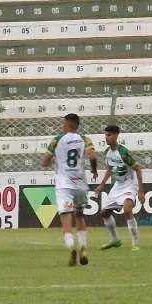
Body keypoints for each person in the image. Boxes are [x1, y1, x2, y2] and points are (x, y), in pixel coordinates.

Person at [42, 113, 97, 266]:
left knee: (66, 220)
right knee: (79, 216)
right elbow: (92, 157)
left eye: (63, 123)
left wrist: (55, 158)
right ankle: (84, 248)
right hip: (80, 184)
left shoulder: (57, 139)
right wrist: (94, 171)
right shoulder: (85, 139)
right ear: (77, 126)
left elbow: (45, 162)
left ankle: (72, 247)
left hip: (64, 185)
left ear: (66, 124)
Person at [94, 125, 145, 251]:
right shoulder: (107, 152)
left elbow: (138, 168)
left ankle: (135, 243)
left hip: (129, 184)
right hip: (118, 185)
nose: (107, 137)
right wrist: (102, 184)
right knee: (104, 213)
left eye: (109, 135)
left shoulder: (123, 152)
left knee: (127, 210)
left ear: (116, 136)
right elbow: (110, 169)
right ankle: (115, 240)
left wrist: (141, 191)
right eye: (106, 135)